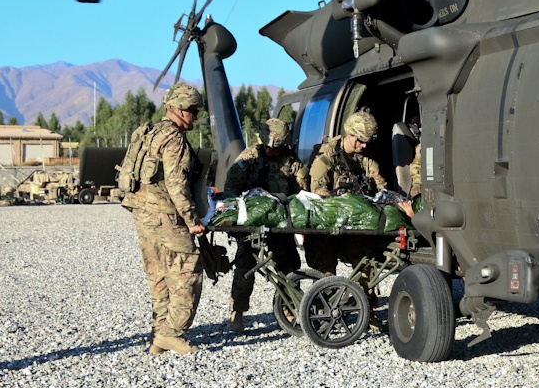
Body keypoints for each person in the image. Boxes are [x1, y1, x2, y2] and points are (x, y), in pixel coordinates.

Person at [121, 82, 207, 355]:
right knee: (187, 267)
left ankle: (159, 334)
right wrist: (192, 219)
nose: (196, 117)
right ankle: (172, 333)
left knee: (158, 272)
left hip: (141, 210)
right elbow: (176, 184)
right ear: (181, 110)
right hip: (164, 213)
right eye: (194, 111)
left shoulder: (151, 132)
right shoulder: (174, 139)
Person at [307, 111, 391, 330]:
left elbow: (381, 185)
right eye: (361, 141)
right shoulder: (326, 155)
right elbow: (316, 188)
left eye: (367, 142)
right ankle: (326, 313)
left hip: (354, 225)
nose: (364, 146)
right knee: (325, 272)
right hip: (326, 224)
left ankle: (367, 309)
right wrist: (339, 199)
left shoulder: (364, 159)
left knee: (367, 263)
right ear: (350, 135)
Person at [223, 118, 308, 333]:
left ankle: (289, 307)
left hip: (280, 221)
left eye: (275, 147)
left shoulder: (290, 160)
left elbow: (302, 190)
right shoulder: (249, 157)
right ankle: (238, 311)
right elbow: (231, 189)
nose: (271, 151)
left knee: (289, 266)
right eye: (268, 146)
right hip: (253, 223)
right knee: (245, 267)